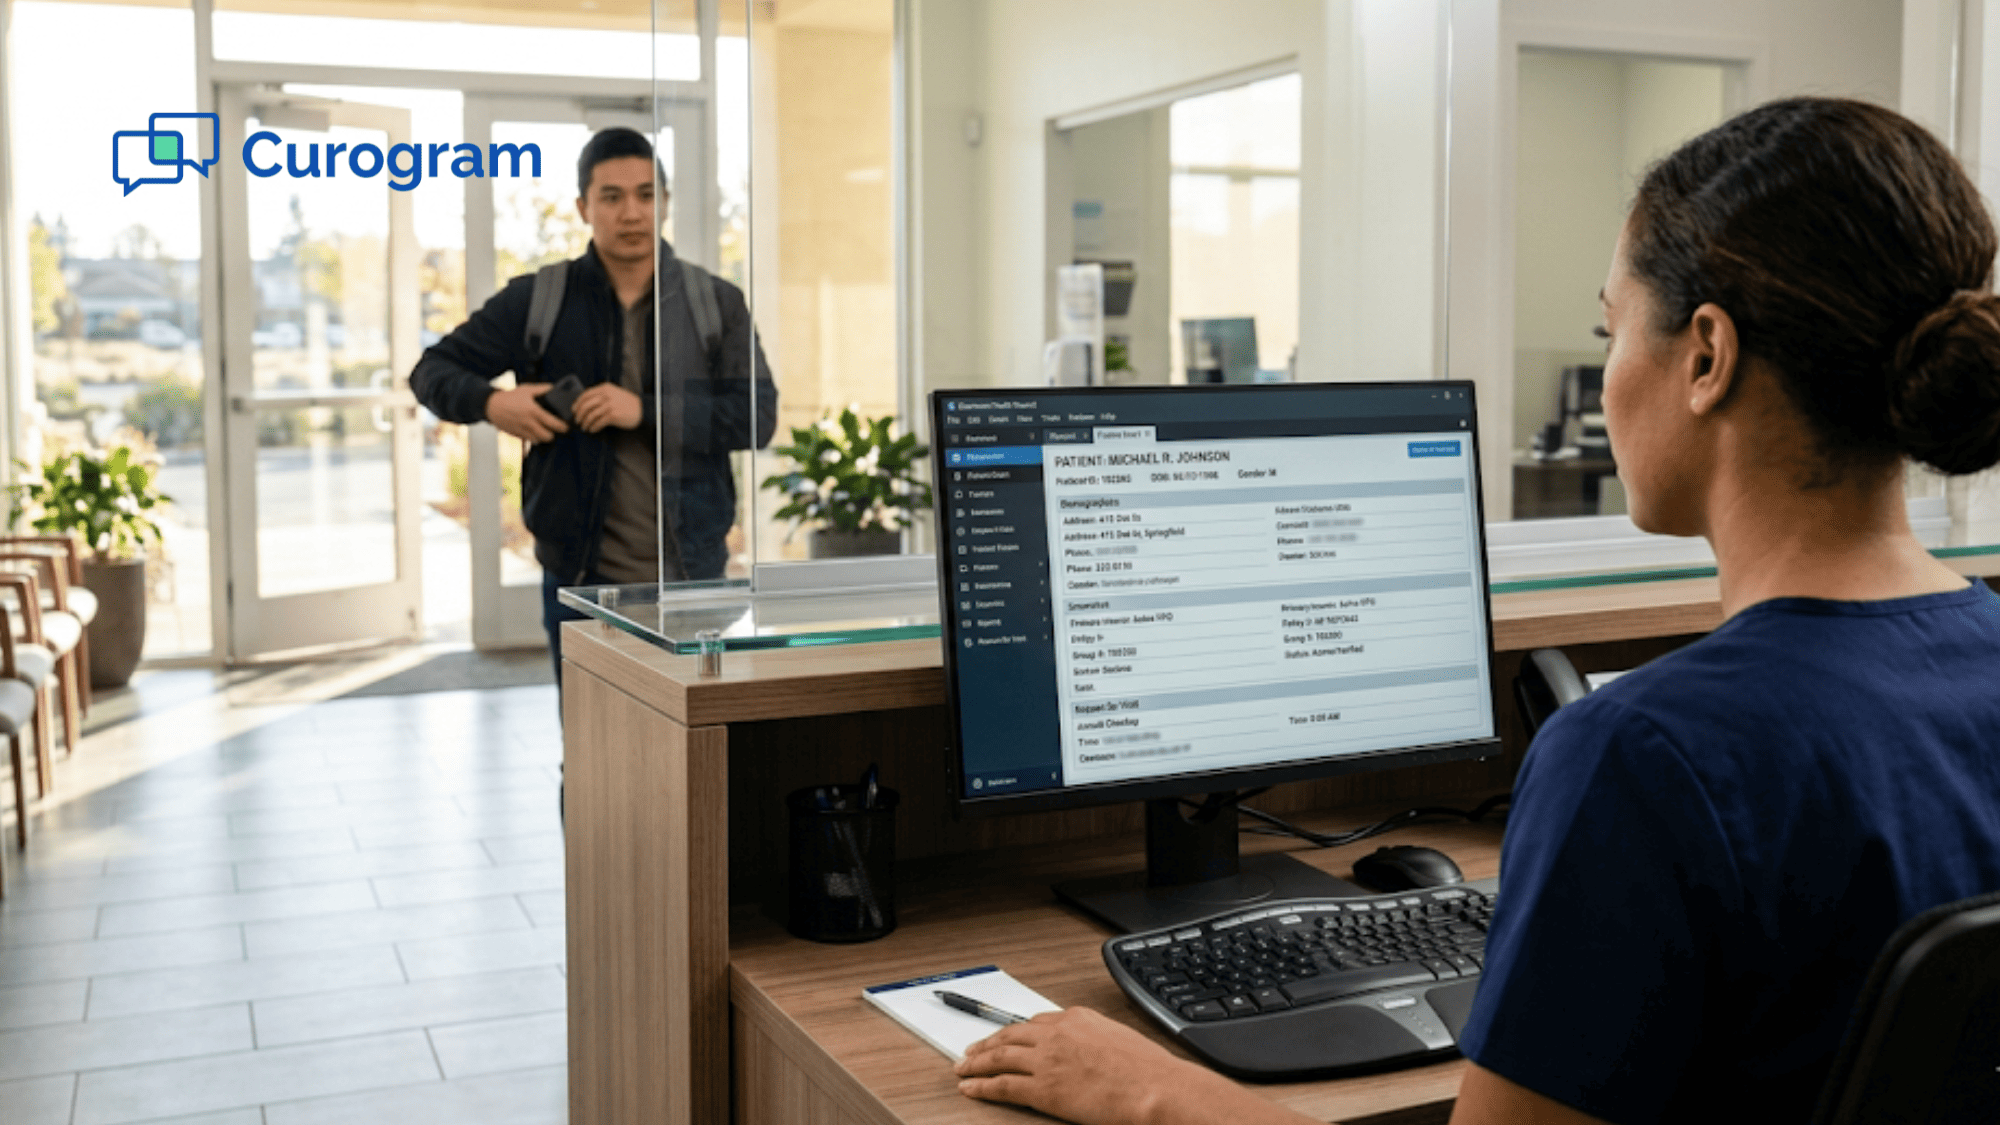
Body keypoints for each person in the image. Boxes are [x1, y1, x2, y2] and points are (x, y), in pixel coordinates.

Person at [954, 96, 2000, 1125]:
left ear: (1703, 356)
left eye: (1608, 328)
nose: (1604, 375)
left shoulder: (1641, 757)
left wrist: (1156, 1091)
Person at [412, 126, 777, 681]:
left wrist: (644, 410)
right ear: (584, 207)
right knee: (590, 755)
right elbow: (430, 372)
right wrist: (491, 402)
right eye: (612, 197)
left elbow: (759, 416)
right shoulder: (539, 298)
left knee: (698, 752)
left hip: (694, 578)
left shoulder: (715, 303)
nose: (631, 212)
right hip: (580, 584)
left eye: (646, 195)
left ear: (665, 204)